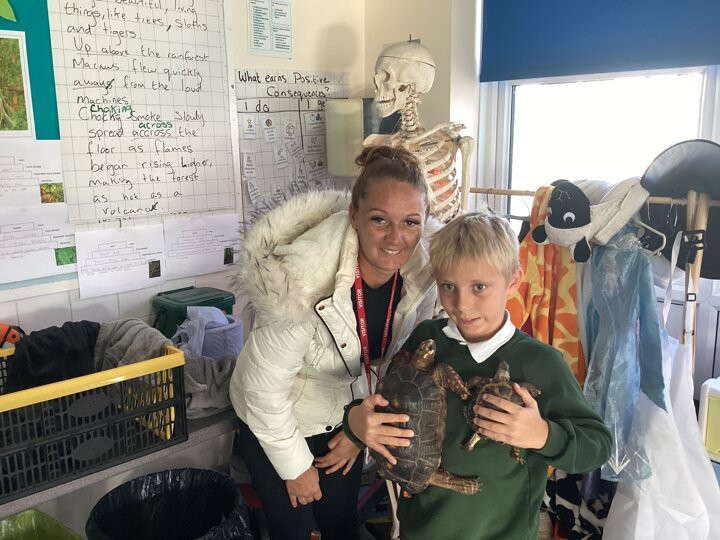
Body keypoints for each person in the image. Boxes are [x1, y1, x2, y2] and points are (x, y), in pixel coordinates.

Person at [345, 212, 612, 540]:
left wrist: (542, 435)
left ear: (513, 280)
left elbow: (597, 446)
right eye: (448, 286)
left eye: (479, 287)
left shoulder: (541, 363)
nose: (462, 304)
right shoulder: (426, 339)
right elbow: (382, 411)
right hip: (419, 531)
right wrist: (356, 422)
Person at [229, 145, 438, 540]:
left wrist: (358, 433)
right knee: (298, 531)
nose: (395, 238)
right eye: (379, 219)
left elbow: (398, 365)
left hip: (345, 416)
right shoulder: (300, 277)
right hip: (277, 417)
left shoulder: (424, 277)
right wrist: (296, 468)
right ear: (354, 215)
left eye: (411, 222)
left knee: (340, 525)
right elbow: (262, 392)